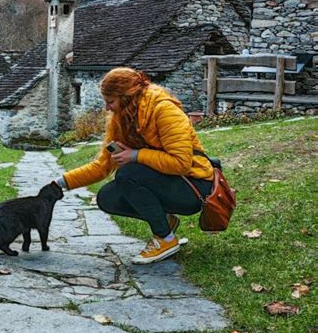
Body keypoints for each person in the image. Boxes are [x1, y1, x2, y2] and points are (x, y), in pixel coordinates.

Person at [57, 67, 214, 264]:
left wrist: (136, 155)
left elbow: (181, 163)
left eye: (111, 102)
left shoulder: (164, 109)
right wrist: (60, 183)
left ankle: (165, 238)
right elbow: (102, 166)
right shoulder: (122, 119)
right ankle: (165, 221)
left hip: (194, 187)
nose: (107, 108)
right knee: (107, 197)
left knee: (127, 174)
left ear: (126, 97)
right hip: (168, 181)